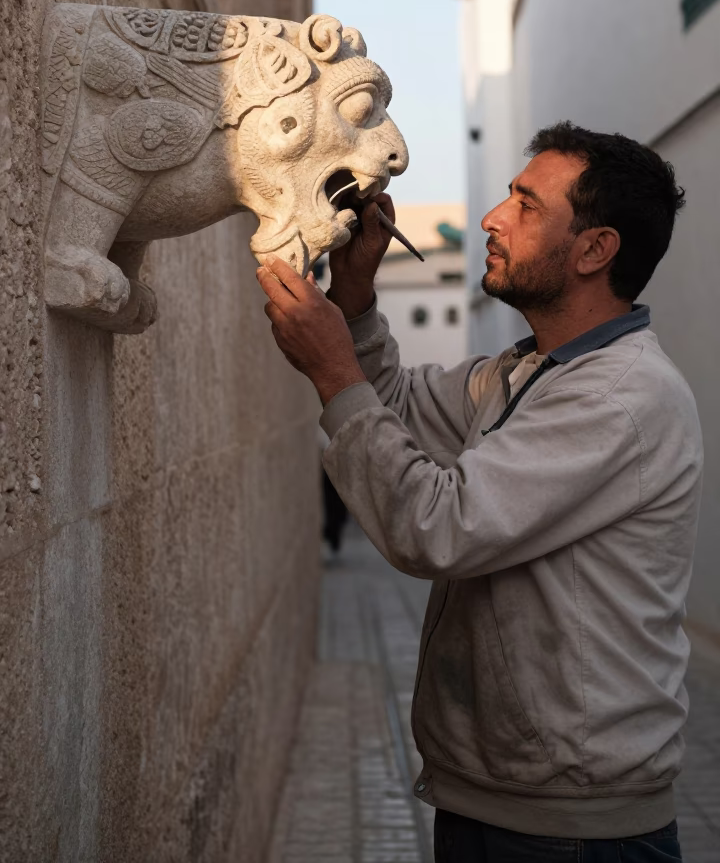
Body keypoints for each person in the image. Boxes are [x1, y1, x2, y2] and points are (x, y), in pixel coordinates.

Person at [256, 122, 702, 863]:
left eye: (526, 205)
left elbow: (436, 525)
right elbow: (392, 405)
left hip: (571, 833)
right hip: (503, 804)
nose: (494, 218)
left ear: (596, 250)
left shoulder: (619, 398)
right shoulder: (525, 373)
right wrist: (357, 300)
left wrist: (334, 369)